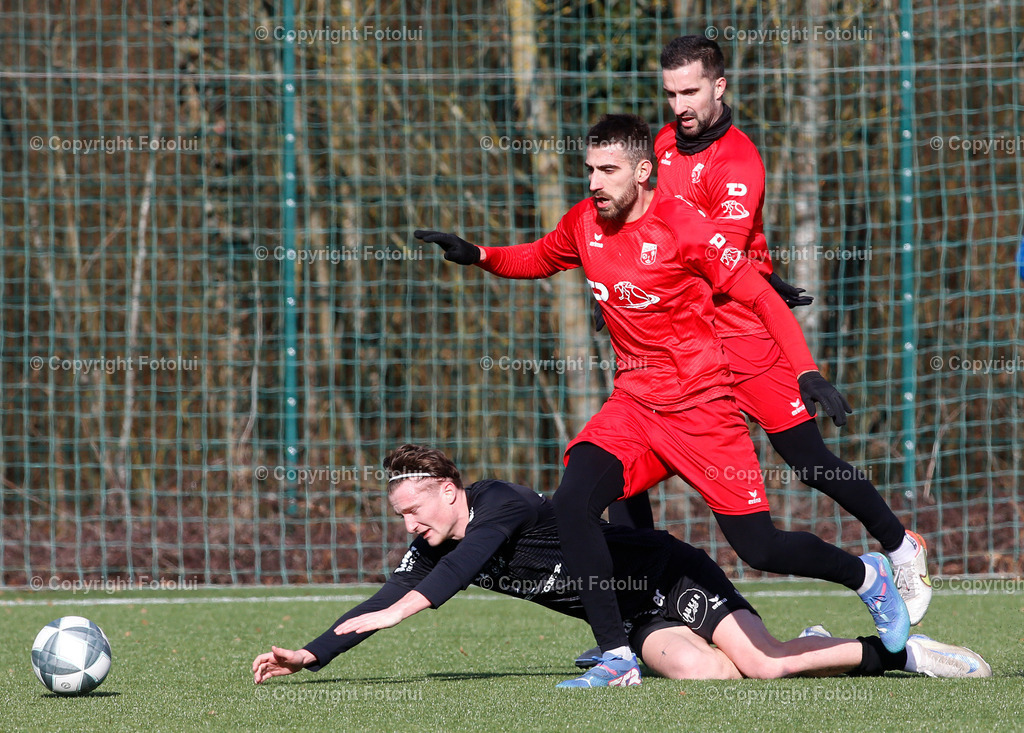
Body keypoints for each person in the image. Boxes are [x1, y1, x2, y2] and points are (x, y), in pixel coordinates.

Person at [414, 113, 910, 688]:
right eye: (589, 170)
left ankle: (867, 576)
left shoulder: (688, 229)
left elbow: (764, 300)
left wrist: (807, 372)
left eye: (608, 170)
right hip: (634, 405)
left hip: (703, 411)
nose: (594, 182)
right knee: (574, 501)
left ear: (644, 172)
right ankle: (616, 655)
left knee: (761, 548)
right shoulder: (585, 222)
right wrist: (477, 254)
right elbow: (540, 256)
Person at [604, 35, 931, 628]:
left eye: (691, 91)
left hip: (740, 329)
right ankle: (639, 609)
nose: (679, 105)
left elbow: (718, 251)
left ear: (719, 87)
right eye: (670, 92)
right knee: (627, 461)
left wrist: (761, 281)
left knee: (806, 458)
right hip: (683, 339)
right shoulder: (658, 148)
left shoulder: (739, 161)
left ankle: (900, 545)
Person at [251, 445, 990, 687]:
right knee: (712, 677)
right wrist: (313, 653)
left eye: (415, 511)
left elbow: (438, 586)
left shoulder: (498, 504)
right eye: (402, 519)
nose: (410, 527)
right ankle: (804, 638)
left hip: (668, 575)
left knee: (761, 668)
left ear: (449, 491)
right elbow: (396, 585)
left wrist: (395, 610)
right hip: (632, 616)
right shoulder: (437, 539)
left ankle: (898, 654)